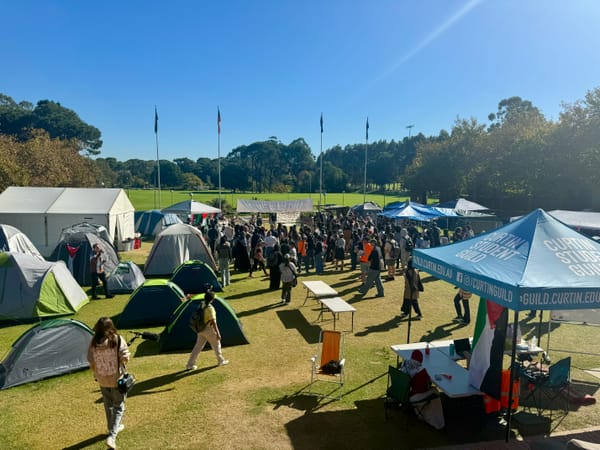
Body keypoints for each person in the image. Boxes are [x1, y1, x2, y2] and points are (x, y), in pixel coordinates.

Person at [87, 317, 131, 449]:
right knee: (119, 406)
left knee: (108, 405)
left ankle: (112, 427)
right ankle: (112, 436)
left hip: (102, 379)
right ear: (111, 327)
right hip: (116, 379)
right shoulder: (117, 339)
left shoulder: (94, 342)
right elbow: (125, 357)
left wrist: (97, 373)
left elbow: (90, 360)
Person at [400, 350, 445, 430]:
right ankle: (438, 422)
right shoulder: (421, 371)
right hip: (416, 397)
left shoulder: (405, 365)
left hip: (405, 395)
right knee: (435, 392)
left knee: (432, 391)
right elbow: (426, 385)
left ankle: (421, 413)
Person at [186, 290, 229, 370]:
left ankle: (190, 365)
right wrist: (218, 333)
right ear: (212, 299)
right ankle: (221, 360)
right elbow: (213, 322)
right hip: (209, 329)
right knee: (216, 345)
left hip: (200, 329)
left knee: (197, 347)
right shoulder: (210, 309)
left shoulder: (202, 304)